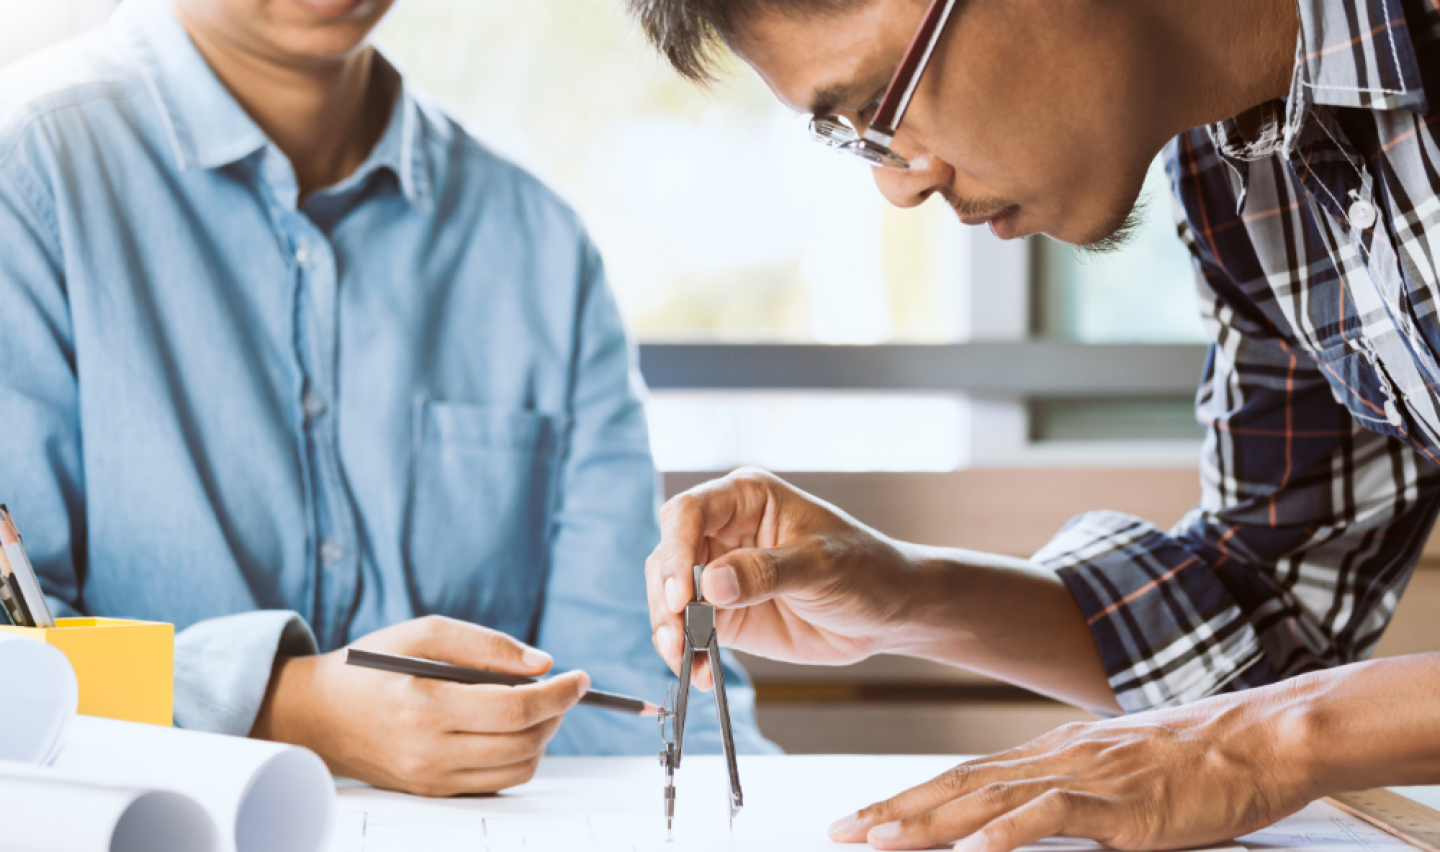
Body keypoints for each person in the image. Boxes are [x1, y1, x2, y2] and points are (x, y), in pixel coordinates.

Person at [625, 0, 1440, 848]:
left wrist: (1273, 742)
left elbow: (1267, 717)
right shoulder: (1239, 172)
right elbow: (1273, 620)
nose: (900, 182)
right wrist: (904, 595)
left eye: (877, 101)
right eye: (849, 134)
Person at [0, 0, 770, 796]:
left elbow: (631, 685)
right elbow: (15, 658)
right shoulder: (27, 180)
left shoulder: (536, 248)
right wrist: (281, 707)